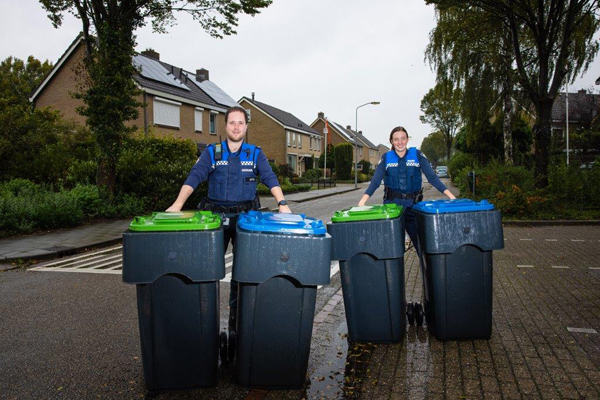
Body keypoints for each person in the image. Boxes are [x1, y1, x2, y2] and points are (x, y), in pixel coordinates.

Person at [167, 105, 291, 333]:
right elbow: (195, 176)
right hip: (216, 221)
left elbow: (269, 177)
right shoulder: (212, 152)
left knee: (242, 274)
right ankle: (206, 324)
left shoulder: (255, 153)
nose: (236, 127)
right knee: (207, 270)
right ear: (225, 126)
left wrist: (282, 204)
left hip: (244, 221)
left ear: (246, 127)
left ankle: (236, 325)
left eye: (240, 123)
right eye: (232, 122)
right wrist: (177, 204)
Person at [358, 126, 455, 256]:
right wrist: (362, 202)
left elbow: (432, 178)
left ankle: (427, 274)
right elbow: (375, 182)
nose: (400, 142)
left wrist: (451, 196)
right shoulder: (386, 158)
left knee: (423, 247)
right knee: (392, 250)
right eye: (396, 139)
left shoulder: (418, 155)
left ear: (407, 139)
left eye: (403, 138)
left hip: (413, 208)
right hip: (392, 209)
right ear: (391, 141)